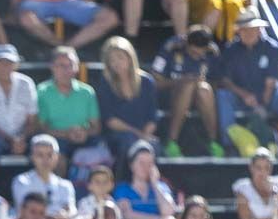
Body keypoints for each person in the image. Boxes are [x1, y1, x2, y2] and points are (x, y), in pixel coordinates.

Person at [215, 9, 278, 156]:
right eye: (244, 30)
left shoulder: (271, 47)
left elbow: (272, 80)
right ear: (239, 32)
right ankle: (229, 144)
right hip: (241, 97)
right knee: (223, 96)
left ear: (259, 30)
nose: (249, 33)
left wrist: (261, 105)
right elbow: (226, 80)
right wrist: (244, 95)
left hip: (268, 96)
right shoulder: (231, 50)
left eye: (252, 29)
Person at [149, 25, 225, 158]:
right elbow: (155, 82)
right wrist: (181, 81)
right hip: (170, 95)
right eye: (193, 52)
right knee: (188, 85)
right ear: (186, 44)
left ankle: (213, 142)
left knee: (204, 89)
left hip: (200, 99)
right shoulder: (171, 47)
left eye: (201, 53)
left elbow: (217, 83)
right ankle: (171, 142)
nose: (197, 56)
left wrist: (198, 83)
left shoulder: (212, 53)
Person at [96, 36, 160, 166]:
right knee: (129, 142)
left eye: (120, 57)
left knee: (152, 146)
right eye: (112, 60)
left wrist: (145, 135)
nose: (116, 63)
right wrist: (138, 134)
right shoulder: (106, 83)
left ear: (130, 57)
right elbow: (110, 120)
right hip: (117, 136)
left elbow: (152, 116)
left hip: (143, 133)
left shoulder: (147, 81)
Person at [37, 46, 102, 172]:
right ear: (52, 67)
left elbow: (96, 127)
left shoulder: (87, 92)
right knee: (54, 152)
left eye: (70, 65)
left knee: (98, 151)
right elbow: (40, 127)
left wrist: (84, 133)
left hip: (84, 138)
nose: (66, 70)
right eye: (61, 65)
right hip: (56, 138)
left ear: (77, 67)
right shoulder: (42, 91)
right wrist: (66, 134)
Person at [115, 140, 179, 219]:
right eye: (141, 163)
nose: (146, 168)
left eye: (150, 164)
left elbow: (169, 211)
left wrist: (155, 184)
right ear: (131, 164)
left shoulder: (161, 187)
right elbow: (128, 215)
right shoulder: (122, 189)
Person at [13, 0, 120, 50]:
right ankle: (58, 45)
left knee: (110, 18)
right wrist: (13, 8)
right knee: (26, 19)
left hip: (66, 1)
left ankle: (68, 48)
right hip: (34, 2)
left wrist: (88, 4)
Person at [11, 134, 76, 219]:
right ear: (32, 157)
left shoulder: (66, 185)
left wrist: (64, 216)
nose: (45, 159)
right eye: (40, 155)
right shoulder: (22, 181)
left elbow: (71, 210)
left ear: (57, 157)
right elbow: (24, 213)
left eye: (50, 155)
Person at [233, 146, 278, 219]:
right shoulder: (243, 190)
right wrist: (276, 218)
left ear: (271, 168)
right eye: (258, 168)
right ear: (251, 168)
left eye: (266, 168)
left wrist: (275, 192)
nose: (262, 172)